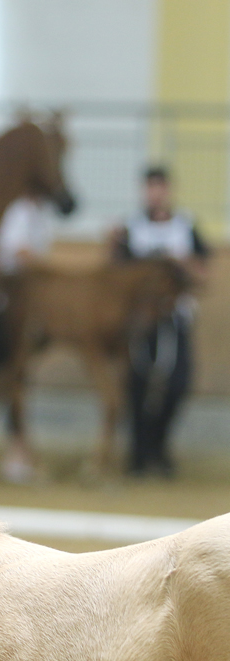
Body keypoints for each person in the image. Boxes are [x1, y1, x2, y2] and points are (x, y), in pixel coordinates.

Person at [110, 165, 208, 477]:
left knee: (177, 384)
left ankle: (159, 445)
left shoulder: (186, 225)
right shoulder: (130, 228)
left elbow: (204, 272)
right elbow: (115, 272)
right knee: (137, 385)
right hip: (141, 321)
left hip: (176, 318)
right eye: (150, 187)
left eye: (160, 187)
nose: (155, 193)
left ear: (168, 190)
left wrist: (179, 263)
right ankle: (139, 455)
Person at [0, 193, 55, 481]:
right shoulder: (17, 210)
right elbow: (17, 252)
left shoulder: (39, 216)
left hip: (19, 304)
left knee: (10, 379)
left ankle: (9, 449)